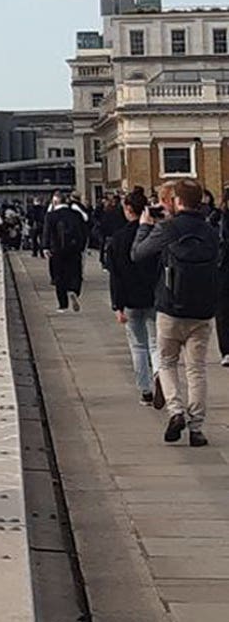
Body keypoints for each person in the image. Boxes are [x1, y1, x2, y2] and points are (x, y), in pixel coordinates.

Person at [132, 179, 216, 448]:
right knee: (197, 369)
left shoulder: (168, 228)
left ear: (177, 201)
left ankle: (176, 411)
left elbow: (138, 254)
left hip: (170, 308)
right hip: (202, 310)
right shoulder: (211, 230)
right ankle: (197, 428)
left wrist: (145, 227)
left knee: (167, 363)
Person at [108, 188, 162, 406]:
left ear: (128, 209)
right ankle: (160, 377)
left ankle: (146, 391)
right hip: (153, 296)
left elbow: (115, 275)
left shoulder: (118, 239)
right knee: (155, 344)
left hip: (129, 298)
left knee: (138, 346)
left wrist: (117, 306)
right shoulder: (155, 234)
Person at [43, 191, 91, 311]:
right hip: (74, 249)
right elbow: (83, 230)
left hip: (57, 250)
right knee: (75, 272)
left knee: (59, 277)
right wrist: (82, 246)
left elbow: (47, 232)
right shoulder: (75, 214)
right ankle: (74, 290)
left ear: (55, 202)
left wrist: (45, 247)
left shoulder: (51, 216)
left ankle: (62, 305)